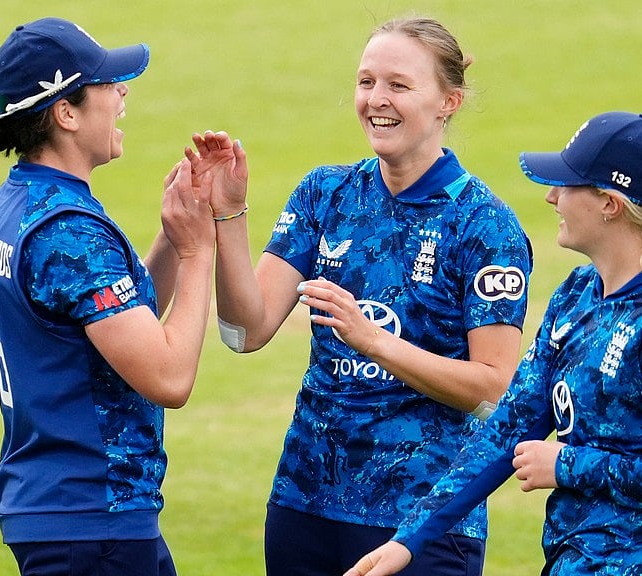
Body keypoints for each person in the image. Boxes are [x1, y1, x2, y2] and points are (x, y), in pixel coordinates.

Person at [188, 16, 532, 576]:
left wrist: (372, 341)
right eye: (366, 81)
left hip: (419, 523)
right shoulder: (326, 193)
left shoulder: (484, 226)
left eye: (399, 85)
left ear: (449, 101)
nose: (377, 100)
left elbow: (492, 386)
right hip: (304, 503)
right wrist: (229, 213)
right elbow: (244, 331)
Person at [343, 111, 642, 576]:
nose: (551, 197)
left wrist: (569, 465)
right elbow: (510, 427)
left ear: (609, 203)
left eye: (566, 186)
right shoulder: (575, 294)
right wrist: (410, 540)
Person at [0, 17, 216, 575]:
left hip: (62, 511)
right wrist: (199, 253)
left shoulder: (18, 203)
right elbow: (167, 377)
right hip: (93, 521)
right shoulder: (68, 232)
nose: (122, 91)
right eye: (108, 83)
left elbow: (117, 325)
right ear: (66, 112)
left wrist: (173, 235)